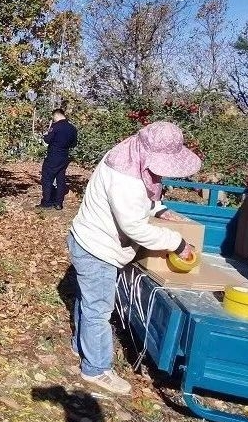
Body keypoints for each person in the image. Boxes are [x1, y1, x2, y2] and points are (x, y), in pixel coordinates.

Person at [68, 121, 202, 395]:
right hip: (97, 248)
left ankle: (81, 346)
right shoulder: (125, 178)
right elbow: (134, 226)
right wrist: (177, 243)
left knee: (89, 300)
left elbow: (143, 197)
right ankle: (95, 369)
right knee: (98, 310)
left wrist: (160, 210)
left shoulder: (130, 153)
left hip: (88, 238)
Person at [37, 109, 78, 210]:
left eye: (53, 118)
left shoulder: (55, 126)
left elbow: (47, 140)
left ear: (56, 116)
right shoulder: (72, 128)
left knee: (47, 178)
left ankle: (47, 202)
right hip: (64, 156)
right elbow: (74, 144)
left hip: (53, 156)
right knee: (60, 179)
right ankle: (59, 203)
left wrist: (45, 135)